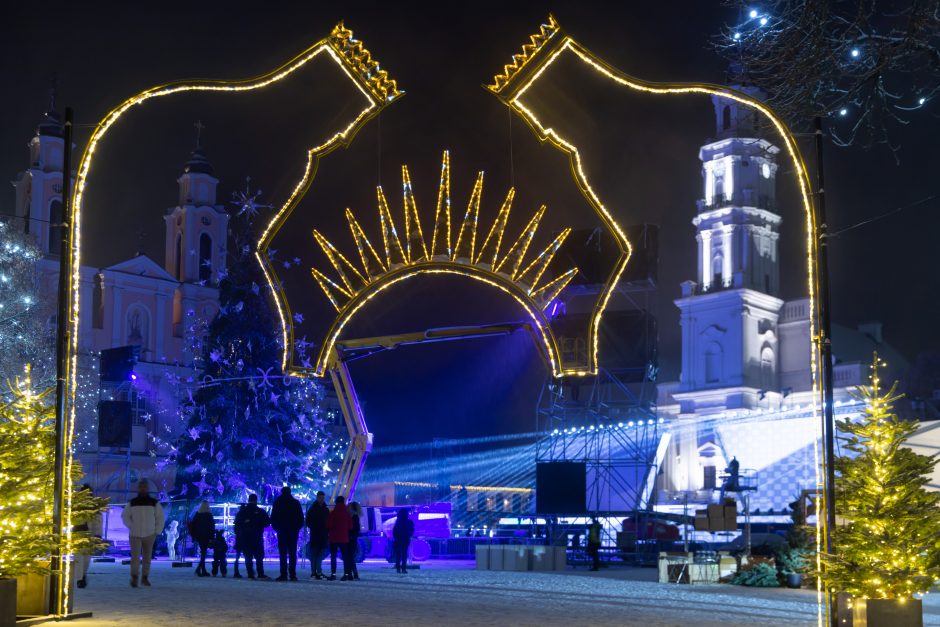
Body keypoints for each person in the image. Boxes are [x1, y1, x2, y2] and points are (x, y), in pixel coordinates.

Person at [121, 479, 165, 588]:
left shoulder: (154, 503)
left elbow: (160, 518)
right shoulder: (132, 502)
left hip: (149, 534)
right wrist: (132, 526)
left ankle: (145, 577)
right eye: (141, 486)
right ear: (138, 488)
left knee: (147, 558)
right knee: (135, 558)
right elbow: (125, 516)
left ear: (147, 488)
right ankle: (134, 577)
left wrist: (156, 531)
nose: (143, 488)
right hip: (135, 534)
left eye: (144, 486)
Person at [270, 486, 304, 581]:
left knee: (283, 553)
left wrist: (277, 528)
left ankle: (283, 574)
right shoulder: (295, 503)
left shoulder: (278, 502)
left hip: (282, 531)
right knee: (293, 553)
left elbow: (273, 517)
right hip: (293, 531)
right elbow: (301, 518)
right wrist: (297, 528)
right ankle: (292, 574)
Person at [234, 493, 270, 580]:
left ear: (248, 500)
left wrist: (239, 534)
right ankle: (260, 573)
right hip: (257, 536)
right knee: (259, 556)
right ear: (256, 500)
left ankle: (250, 573)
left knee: (248, 556)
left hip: (245, 536)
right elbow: (267, 523)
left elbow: (236, 524)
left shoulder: (242, 511)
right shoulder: (260, 511)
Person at [74, 484, 103, 589]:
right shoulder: (76, 506)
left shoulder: (94, 507)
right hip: (77, 535)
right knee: (79, 558)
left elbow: (98, 522)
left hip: (89, 535)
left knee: (86, 559)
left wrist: (98, 535)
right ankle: (80, 579)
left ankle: (83, 575)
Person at [326, 495, 352, 581]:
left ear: (336, 502)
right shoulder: (347, 514)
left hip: (333, 538)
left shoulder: (332, 513)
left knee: (333, 557)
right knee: (345, 557)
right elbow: (350, 526)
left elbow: (328, 525)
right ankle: (346, 574)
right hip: (344, 538)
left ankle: (333, 574)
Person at [305, 491, 329, 580]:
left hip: (319, 535)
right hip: (318, 535)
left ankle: (315, 572)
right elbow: (308, 522)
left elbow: (308, 521)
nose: (322, 500)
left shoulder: (314, 509)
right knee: (317, 555)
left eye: (322, 498)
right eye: (320, 498)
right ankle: (316, 572)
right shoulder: (321, 509)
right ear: (317, 497)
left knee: (316, 555)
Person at [189, 500, 215, 577]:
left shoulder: (197, 515)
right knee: (204, 553)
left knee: (203, 552)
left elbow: (193, 525)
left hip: (199, 536)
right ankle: (199, 569)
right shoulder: (209, 515)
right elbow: (211, 527)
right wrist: (212, 537)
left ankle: (202, 570)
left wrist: (194, 536)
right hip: (206, 536)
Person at [392, 508, 414, 574]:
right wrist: (409, 535)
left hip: (398, 540)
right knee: (404, 554)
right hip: (406, 540)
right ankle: (404, 569)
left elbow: (394, 531)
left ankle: (398, 569)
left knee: (398, 555)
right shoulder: (409, 522)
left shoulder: (397, 522)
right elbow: (412, 531)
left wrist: (396, 537)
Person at [347, 501, 362, 581]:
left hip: (351, 540)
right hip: (352, 539)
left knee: (349, 558)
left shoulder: (353, 518)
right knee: (350, 558)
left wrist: (351, 536)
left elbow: (355, 529)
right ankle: (353, 574)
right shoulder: (355, 517)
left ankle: (351, 574)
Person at [232, 503, 247, 578]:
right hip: (245, 537)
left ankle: (236, 571)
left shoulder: (238, 515)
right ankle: (250, 571)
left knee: (237, 556)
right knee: (247, 555)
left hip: (239, 538)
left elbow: (235, 528)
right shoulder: (246, 515)